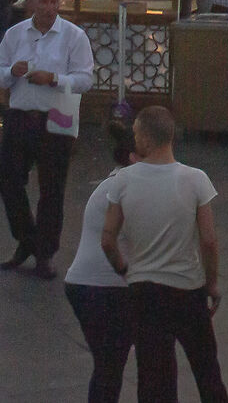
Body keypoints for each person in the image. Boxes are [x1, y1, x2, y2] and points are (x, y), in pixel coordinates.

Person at [102, 105, 228, 403]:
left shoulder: (122, 181)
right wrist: (211, 284)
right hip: (187, 288)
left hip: (144, 291)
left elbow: (108, 239)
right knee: (207, 370)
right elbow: (209, 241)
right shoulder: (195, 179)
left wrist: (124, 268)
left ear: (145, 139)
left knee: (153, 377)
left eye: (135, 134)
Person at [0, 0, 96, 277]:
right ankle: (27, 238)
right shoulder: (14, 34)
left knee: (52, 189)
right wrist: (12, 71)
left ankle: (45, 253)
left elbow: (85, 79)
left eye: (54, 2)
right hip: (20, 116)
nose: (49, 8)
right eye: (43, 2)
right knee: (8, 181)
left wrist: (54, 78)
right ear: (31, 1)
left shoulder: (74, 36)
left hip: (55, 119)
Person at [62, 122, 140, 403]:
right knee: (110, 366)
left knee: (108, 365)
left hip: (84, 285)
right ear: (134, 156)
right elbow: (116, 241)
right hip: (105, 290)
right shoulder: (127, 187)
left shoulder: (115, 182)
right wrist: (126, 273)